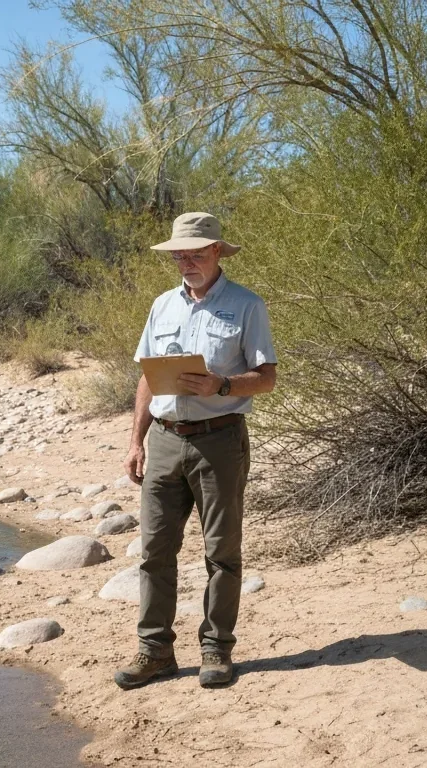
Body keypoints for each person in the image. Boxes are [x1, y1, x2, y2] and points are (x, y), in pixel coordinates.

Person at [114, 211, 277, 690]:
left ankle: (216, 650)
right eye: (179, 255)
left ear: (217, 253)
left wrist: (220, 383)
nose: (186, 261)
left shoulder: (248, 305)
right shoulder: (162, 305)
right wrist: (135, 440)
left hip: (220, 441)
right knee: (154, 552)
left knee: (221, 553)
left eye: (195, 253)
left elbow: (267, 378)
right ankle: (154, 651)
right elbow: (147, 378)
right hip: (164, 440)